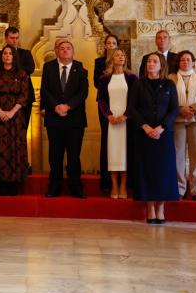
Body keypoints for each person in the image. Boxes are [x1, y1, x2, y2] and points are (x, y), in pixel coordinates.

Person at [128, 53, 179, 224]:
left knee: (163, 171)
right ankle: (150, 207)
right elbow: (132, 108)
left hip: (163, 134)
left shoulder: (169, 84)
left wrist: (161, 127)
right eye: (149, 61)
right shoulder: (138, 83)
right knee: (146, 171)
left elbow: (173, 110)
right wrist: (145, 127)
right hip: (143, 134)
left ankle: (161, 208)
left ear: (161, 65)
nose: (151, 64)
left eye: (154, 61)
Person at [41, 39, 89, 198]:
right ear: (57, 51)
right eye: (62, 48)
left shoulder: (80, 69)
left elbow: (83, 93)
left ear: (73, 52)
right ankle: (54, 187)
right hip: (54, 119)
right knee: (55, 156)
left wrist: (67, 106)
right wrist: (56, 106)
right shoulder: (48, 68)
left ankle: (76, 187)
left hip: (74, 120)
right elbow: (45, 91)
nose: (65, 50)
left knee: (74, 156)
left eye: (68, 48)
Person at [0, 45, 30, 196]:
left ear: (14, 56)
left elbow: (24, 95)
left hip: (15, 116)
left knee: (14, 147)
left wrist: (11, 112)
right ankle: (0, 183)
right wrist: (0, 111)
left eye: (10, 53)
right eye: (5, 53)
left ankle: (14, 184)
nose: (7, 55)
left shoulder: (22, 73)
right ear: (1, 56)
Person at [97, 48, 137, 199]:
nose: (121, 57)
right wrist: (109, 116)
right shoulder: (104, 78)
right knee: (112, 152)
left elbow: (135, 100)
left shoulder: (132, 77)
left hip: (127, 120)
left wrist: (126, 116)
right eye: (117, 55)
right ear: (111, 59)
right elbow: (100, 100)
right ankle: (113, 184)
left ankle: (123, 185)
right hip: (111, 121)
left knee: (125, 152)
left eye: (123, 55)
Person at [169, 50, 196, 201]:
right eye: (182, 60)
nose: (185, 62)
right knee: (178, 156)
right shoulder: (170, 78)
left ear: (193, 62)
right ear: (178, 62)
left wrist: (193, 108)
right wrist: (180, 109)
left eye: (188, 59)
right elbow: (168, 98)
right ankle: (179, 188)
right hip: (178, 120)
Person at [0, 27, 35, 129]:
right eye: (12, 38)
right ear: (6, 38)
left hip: (24, 97)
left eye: (17, 38)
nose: (15, 40)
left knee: (23, 128)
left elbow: (30, 69)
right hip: (1, 98)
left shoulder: (25, 53)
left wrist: (12, 68)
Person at [94, 34, 119, 194]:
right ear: (105, 46)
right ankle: (105, 182)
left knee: (120, 143)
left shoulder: (123, 61)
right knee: (106, 141)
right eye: (108, 43)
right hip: (105, 106)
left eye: (114, 43)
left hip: (121, 107)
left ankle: (122, 182)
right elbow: (97, 83)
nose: (111, 45)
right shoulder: (99, 62)